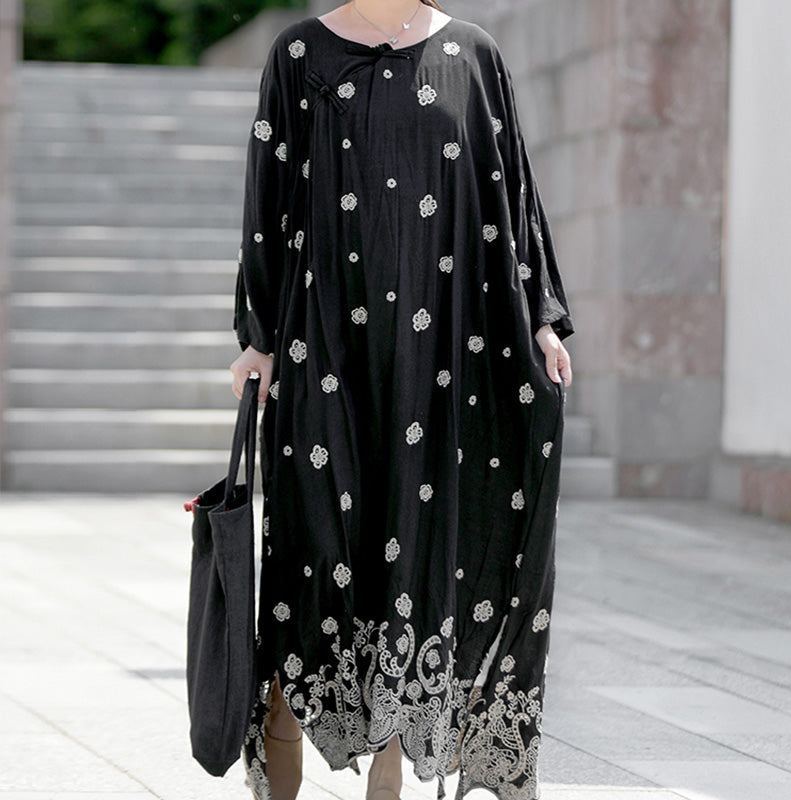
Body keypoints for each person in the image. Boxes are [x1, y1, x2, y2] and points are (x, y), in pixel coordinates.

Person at [228, 2, 575, 799]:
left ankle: (391, 769)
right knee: (310, 561)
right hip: (325, 352)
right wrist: (258, 337)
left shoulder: (474, 56)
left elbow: (510, 191)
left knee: (417, 561)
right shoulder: (299, 54)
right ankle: (282, 745)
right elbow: (268, 197)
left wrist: (543, 319)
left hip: (442, 363)